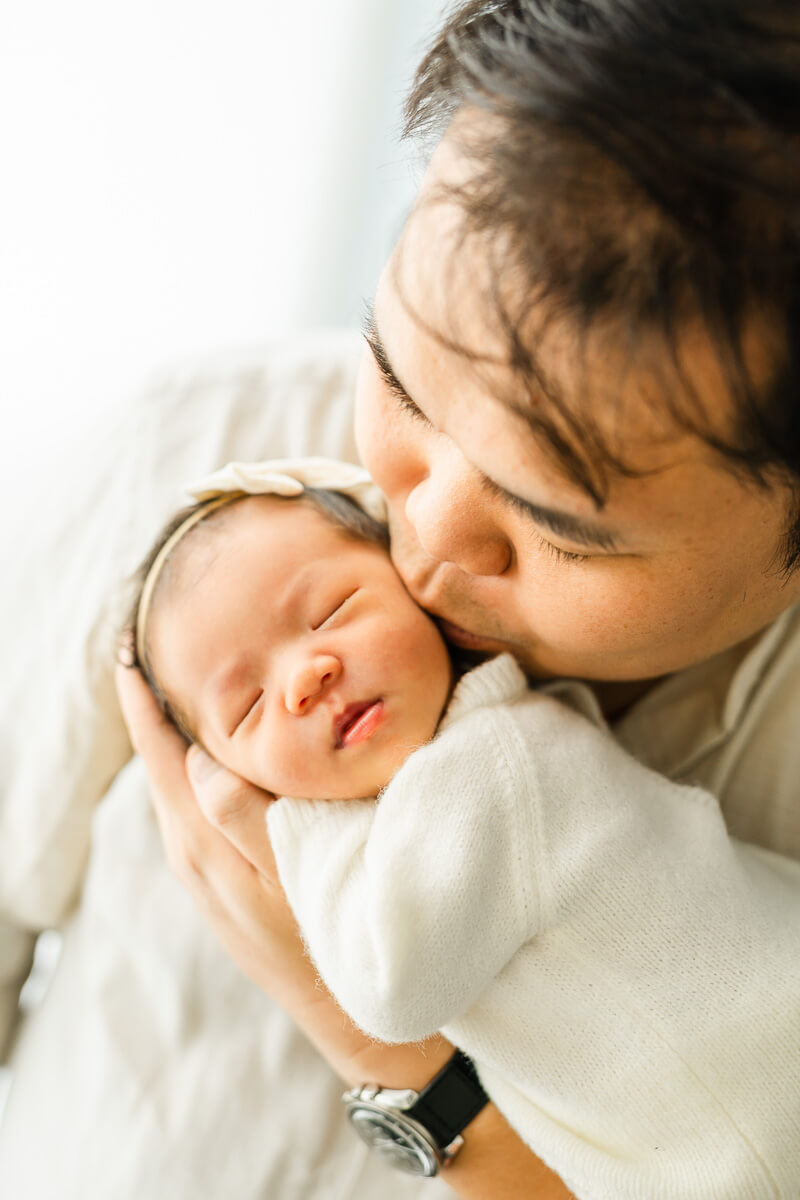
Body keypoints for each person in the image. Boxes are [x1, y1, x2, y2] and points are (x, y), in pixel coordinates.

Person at [115, 2, 800, 1196]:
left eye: (555, 528)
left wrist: (384, 1048)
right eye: (396, 381)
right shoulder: (183, 454)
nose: (421, 545)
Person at [126, 455, 800, 1198]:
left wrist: (297, 833)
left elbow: (389, 993)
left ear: (415, 590)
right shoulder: (496, 752)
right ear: (228, 771)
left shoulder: (492, 769)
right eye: (249, 708)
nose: (305, 675)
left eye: (333, 611)